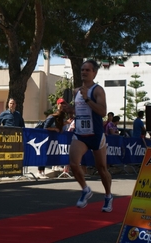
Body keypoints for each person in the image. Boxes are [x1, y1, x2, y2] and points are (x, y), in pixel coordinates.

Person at [69, 59, 113, 212]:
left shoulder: (97, 90)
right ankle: (86, 189)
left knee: (101, 168)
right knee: (74, 164)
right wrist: (67, 109)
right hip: (80, 134)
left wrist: (87, 98)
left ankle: (108, 196)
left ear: (94, 73)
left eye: (88, 70)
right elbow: (76, 111)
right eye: (82, 69)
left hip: (95, 134)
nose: (84, 72)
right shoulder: (76, 91)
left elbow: (102, 112)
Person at [38, 97, 67, 179]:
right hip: (45, 139)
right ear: (57, 105)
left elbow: (59, 127)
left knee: (50, 154)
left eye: (63, 104)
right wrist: (54, 129)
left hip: (54, 140)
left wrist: (64, 124)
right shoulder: (52, 117)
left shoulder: (61, 117)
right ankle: (40, 172)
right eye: (61, 104)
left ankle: (52, 168)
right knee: (43, 154)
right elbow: (45, 127)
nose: (62, 105)